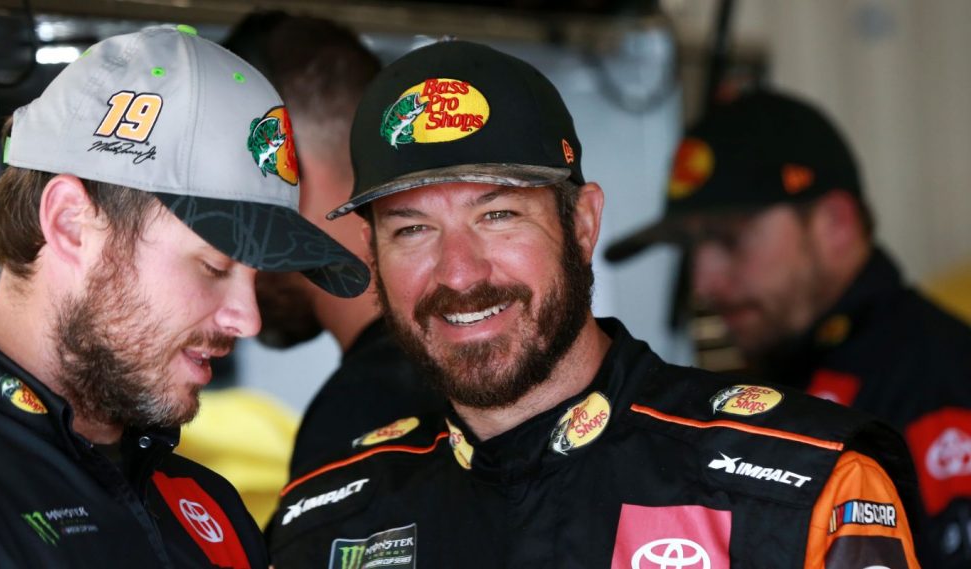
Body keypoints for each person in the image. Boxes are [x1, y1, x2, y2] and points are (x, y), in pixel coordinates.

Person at [268, 40, 921, 568]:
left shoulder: (805, 493)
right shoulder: (324, 524)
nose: (459, 273)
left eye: (498, 214)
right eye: (412, 229)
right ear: (370, 252)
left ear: (583, 225)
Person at [0, 25, 369, 567]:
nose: (248, 320)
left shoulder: (206, 505)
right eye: (214, 266)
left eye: (256, 274)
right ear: (71, 223)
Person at [605, 89, 971, 567]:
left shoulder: (939, 387)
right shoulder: (774, 374)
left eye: (728, 239)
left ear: (834, 224)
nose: (704, 282)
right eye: (690, 248)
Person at [223, 12, 447, 479]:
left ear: (284, 175)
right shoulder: (498, 373)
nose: (222, 242)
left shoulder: (361, 424)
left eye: (225, 195)